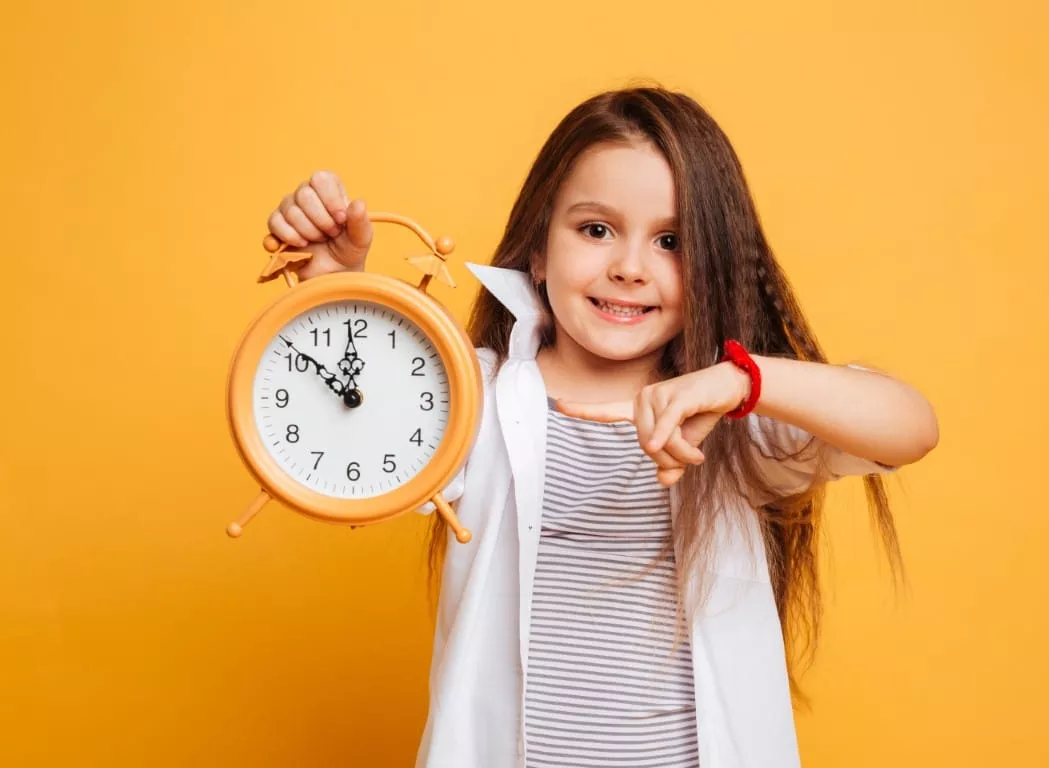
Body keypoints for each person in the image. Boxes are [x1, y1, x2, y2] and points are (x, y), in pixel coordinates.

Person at [265, 86, 939, 768]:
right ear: (537, 251)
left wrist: (741, 382)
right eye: (595, 230)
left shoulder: (732, 421)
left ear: (711, 265)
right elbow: (348, 427)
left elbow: (909, 427)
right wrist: (334, 291)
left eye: (671, 242)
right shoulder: (469, 392)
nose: (628, 267)